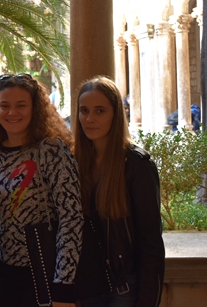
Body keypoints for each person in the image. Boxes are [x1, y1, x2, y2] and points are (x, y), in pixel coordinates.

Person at [0, 73, 83, 307]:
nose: (12, 112)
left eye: (21, 105)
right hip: (2, 277)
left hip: (44, 275)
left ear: (35, 108)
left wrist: (64, 283)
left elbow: (71, 218)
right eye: (5, 106)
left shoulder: (51, 151)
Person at [75, 76, 165, 307]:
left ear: (116, 115)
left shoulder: (136, 165)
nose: (89, 119)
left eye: (100, 111)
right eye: (84, 111)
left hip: (124, 286)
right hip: (86, 286)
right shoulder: (75, 162)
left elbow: (151, 242)